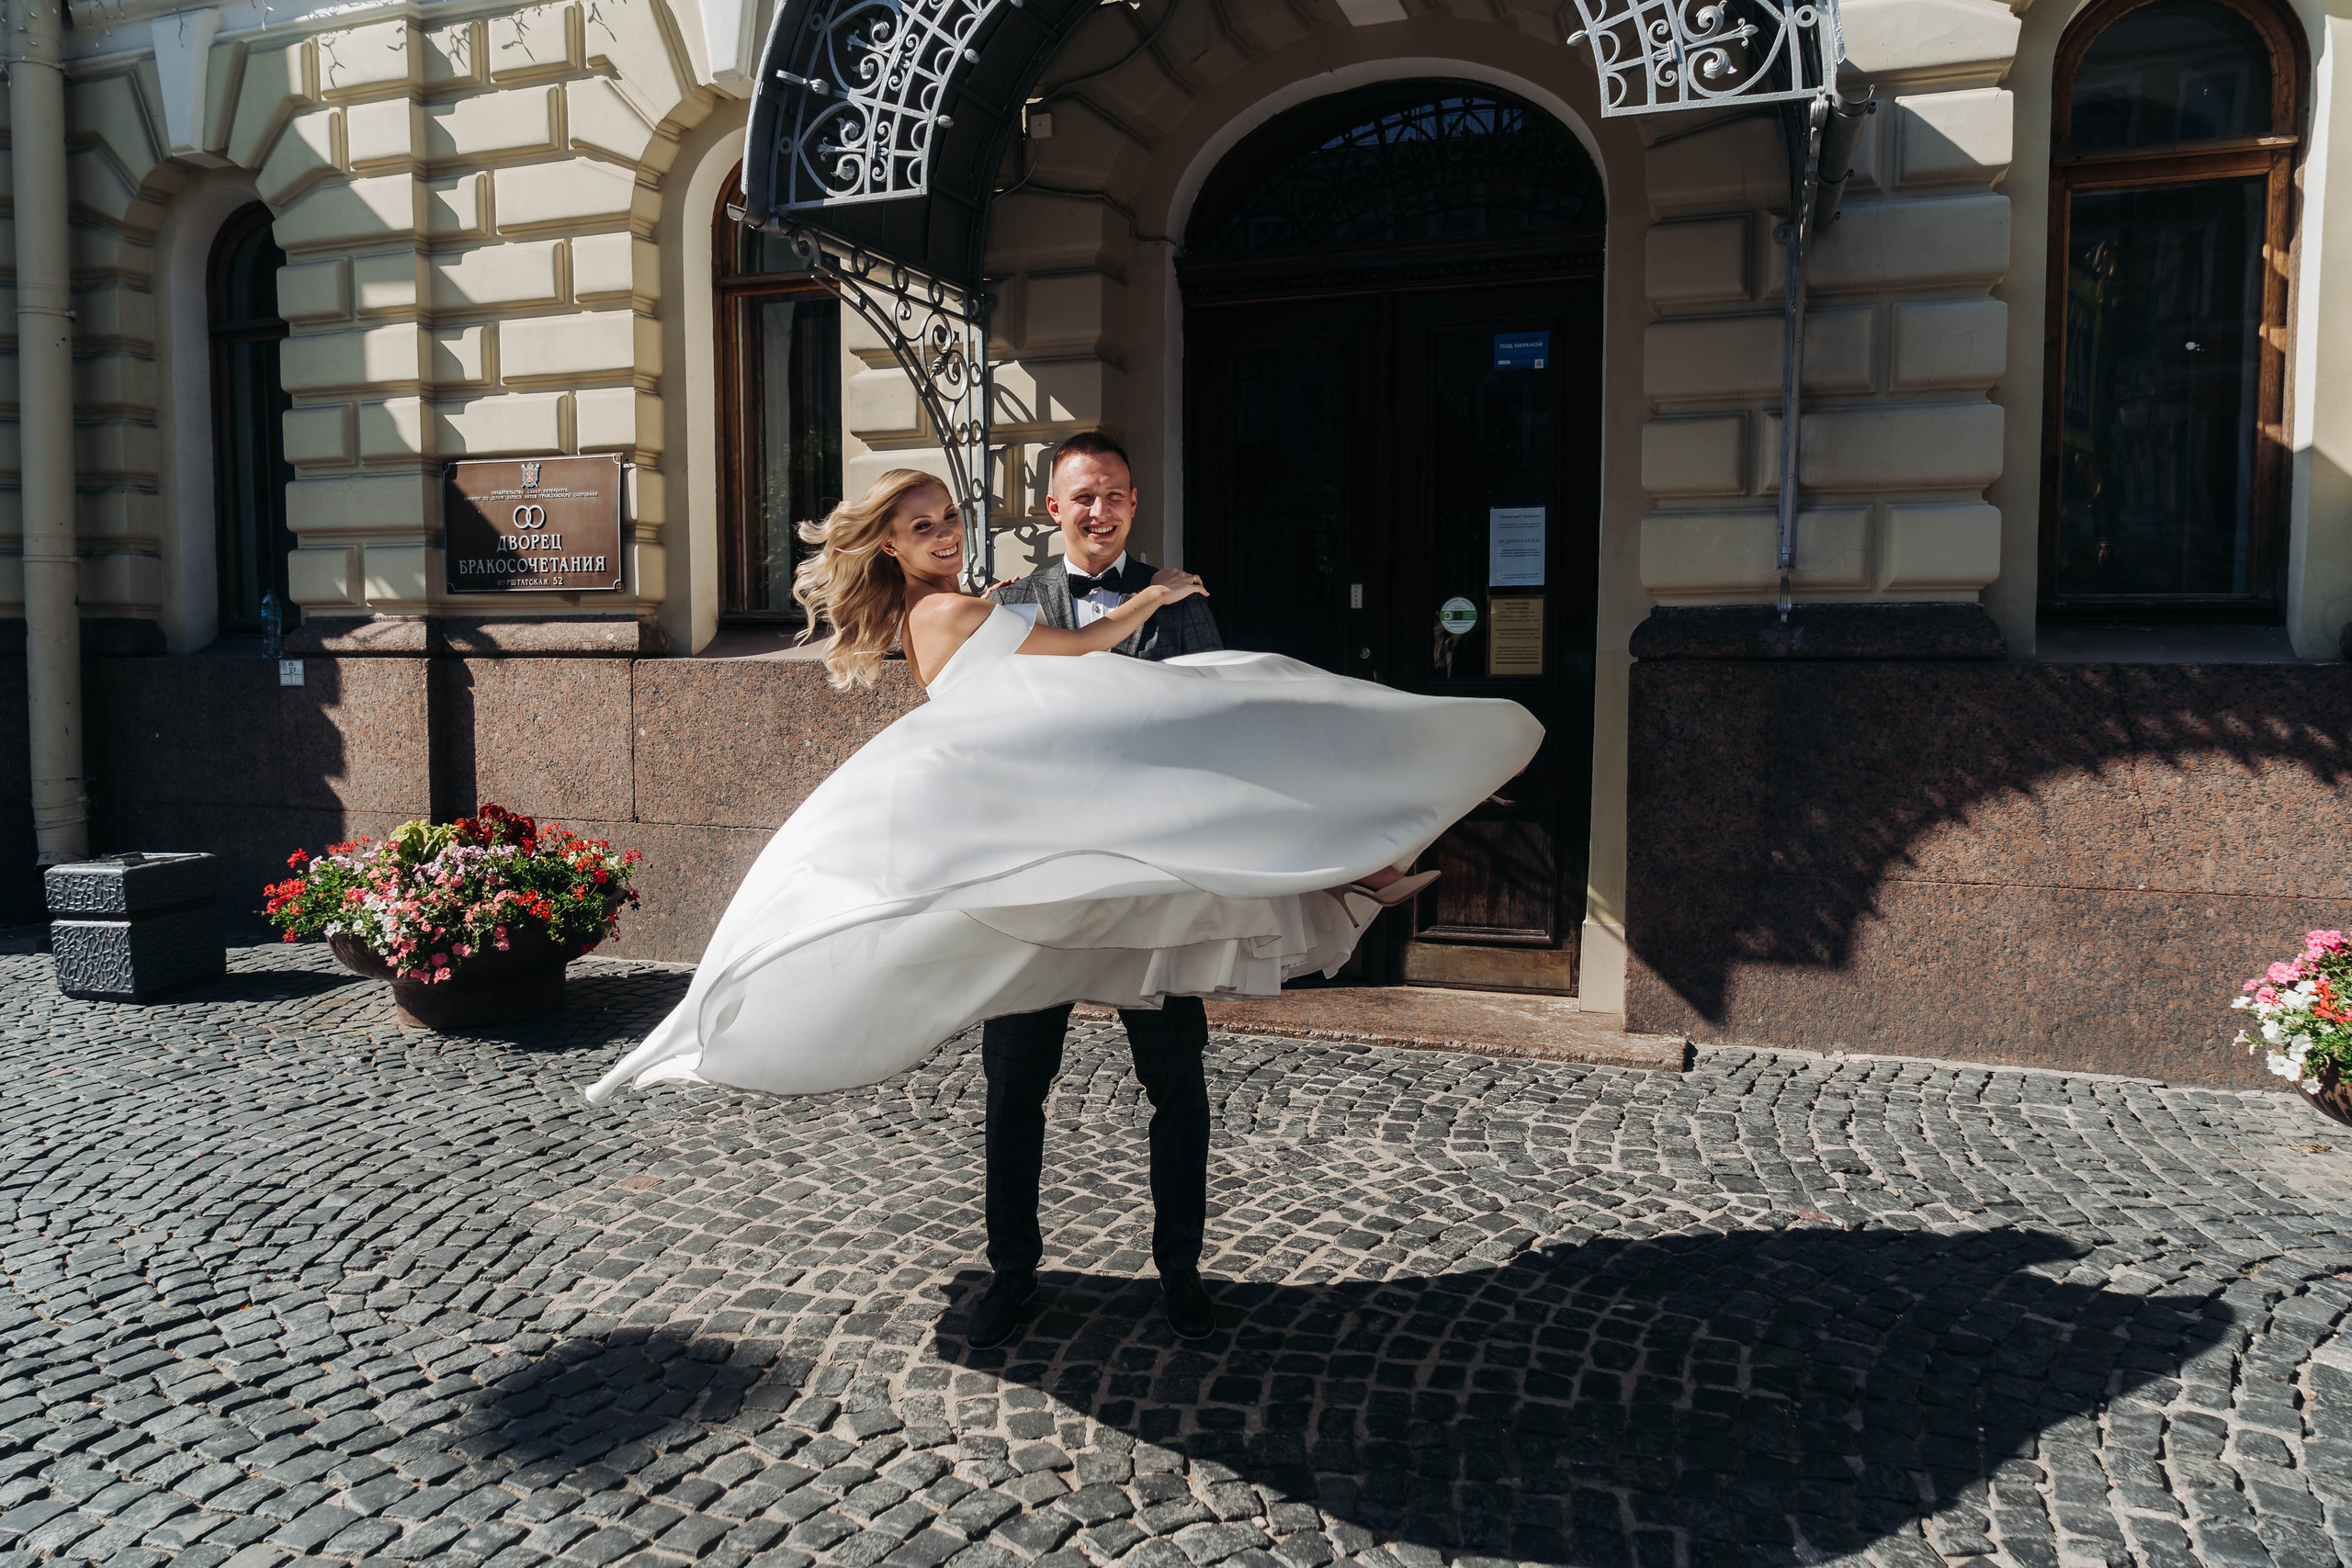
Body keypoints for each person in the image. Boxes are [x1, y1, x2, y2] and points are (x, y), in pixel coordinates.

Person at [584, 463, 1540, 1353]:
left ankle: (1181, 1272)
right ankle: (1012, 1273)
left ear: (1130, 502)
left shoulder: (1071, 602)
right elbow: (1048, 679)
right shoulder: (995, 603)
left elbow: (1229, 740)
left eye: (951, 518)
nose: (1099, 509)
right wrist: (1139, 604)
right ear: (1053, 507)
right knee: (1015, 1089)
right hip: (1034, 885)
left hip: (1143, 884)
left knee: (1176, 1082)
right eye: (924, 526)